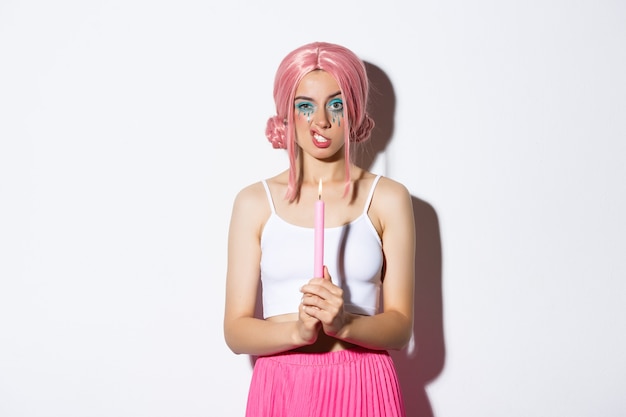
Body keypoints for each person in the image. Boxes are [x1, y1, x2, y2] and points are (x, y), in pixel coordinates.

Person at [223, 41, 415, 417]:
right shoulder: (254, 203)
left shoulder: (388, 199)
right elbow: (235, 330)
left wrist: (344, 324)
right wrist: (297, 331)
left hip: (364, 384)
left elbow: (401, 327)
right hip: (282, 386)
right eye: (305, 106)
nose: (321, 121)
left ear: (356, 110)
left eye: (337, 104)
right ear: (286, 113)